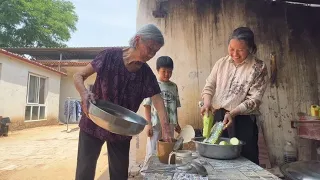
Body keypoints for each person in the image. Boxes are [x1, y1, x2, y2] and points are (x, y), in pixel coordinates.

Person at [73, 24, 173, 180]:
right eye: (150, 48)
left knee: (119, 175)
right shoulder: (108, 56)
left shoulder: (146, 74)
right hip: (93, 122)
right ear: (138, 40)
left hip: (121, 129)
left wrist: (166, 130)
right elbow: (78, 75)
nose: (152, 55)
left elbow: (159, 103)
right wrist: (84, 93)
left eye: (155, 51)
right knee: (84, 171)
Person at [200, 27, 268, 165]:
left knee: (246, 159)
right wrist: (207, 103)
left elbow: (254, 100)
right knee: (218, 158)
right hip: (219, 117)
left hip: (243, 119)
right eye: (231, 48)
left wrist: (233, 113)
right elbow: (209, 85)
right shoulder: (221, 63)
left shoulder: (258, 67)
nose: (235, 54)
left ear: (250, 48)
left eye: (240, 50)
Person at [143, 56, 182, 162]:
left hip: (170, 124)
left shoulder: (174, 86)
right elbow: (147, 106)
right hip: (155, 123)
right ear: (157, 70)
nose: (166, 74)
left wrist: (177, 123)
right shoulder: (152, 85)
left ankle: (165, 172)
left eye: (169, 72)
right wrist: (148, 124)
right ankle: (148, 173)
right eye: (163, 71)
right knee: (152, 148)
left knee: (168, 148)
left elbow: (175, 106)